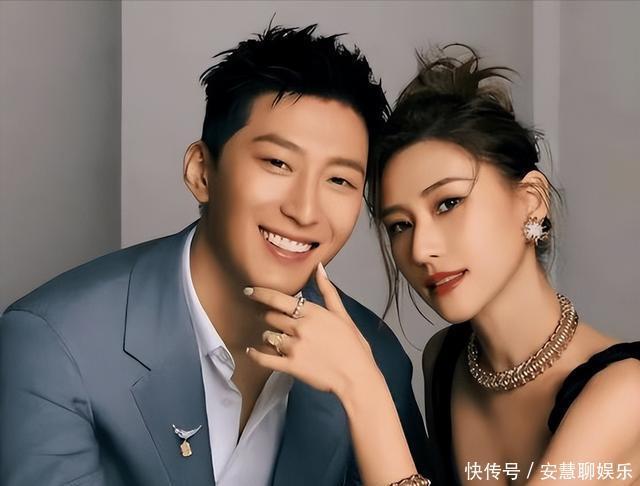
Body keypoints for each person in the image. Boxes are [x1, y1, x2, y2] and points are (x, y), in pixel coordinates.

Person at [0, 24, 436, 486]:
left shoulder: (374, 358)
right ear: (202, 172)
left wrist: (362, 390)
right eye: (278, 163)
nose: (305, 211)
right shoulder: (53, 345)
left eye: (340, 180)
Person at [245, 46, 640, 486]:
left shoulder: (626, 394)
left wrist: (363, 389)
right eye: (400, 225)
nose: (420, 249)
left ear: (531, 201)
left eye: (448, 203)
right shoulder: (446, 362)